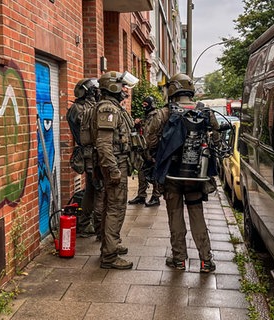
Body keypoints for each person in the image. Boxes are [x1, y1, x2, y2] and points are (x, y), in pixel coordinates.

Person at [147, 73, 219, 273]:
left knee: (175, 214)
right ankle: (206, 260)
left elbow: (150, 140)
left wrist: (157, 154)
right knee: (197, 213)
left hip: (172, 175)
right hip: (196, 174)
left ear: (172, 90)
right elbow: (216, 137)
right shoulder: (205, 111)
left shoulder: (164, 113)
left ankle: (179, 259)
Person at [94, 70, 140, 269]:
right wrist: (113, 169)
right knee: (116, 208)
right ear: (112, 87)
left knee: (110, 206)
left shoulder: (112, 107)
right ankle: (109, 256)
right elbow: (104, 144)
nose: (124, 90)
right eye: (122, 86)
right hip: (114, 164)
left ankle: (109, 245)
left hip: (116, 163)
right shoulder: (108, 109)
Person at [66, 78, 103, 238]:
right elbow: (90, 127)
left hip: (91, 154)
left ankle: (84, 223)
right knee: (99, 189)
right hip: (90, 155)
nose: (97, 93)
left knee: (91, 189)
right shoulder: (79, 108)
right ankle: (99, 227)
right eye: (95, 90)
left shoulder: (84, 107)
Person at [128, 96, 161, 207]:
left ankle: (156, 197)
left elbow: (153, 133)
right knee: (142, 172)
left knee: (154, 173)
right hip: (144, 149)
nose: (143, 106)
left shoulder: (155, 115)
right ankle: (141, 195)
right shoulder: (147, 116)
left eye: (146, 104)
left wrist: (153, 150)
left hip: (153, 149)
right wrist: (138, 124)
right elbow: (145, 129)